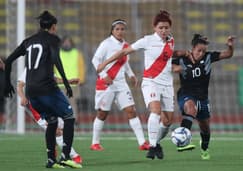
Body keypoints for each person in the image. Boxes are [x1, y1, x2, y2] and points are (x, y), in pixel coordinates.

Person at [96, 10, 191, 160]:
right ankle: (152, 146)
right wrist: (105, 63)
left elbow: (168, 55)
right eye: (160, 28)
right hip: (150, 82)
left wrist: (183, 53)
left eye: (166, 27)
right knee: (155, 111)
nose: (164, 30)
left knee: (167, 121)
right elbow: (124, 52)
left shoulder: (171, 40)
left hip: (167, 83)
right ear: (154, 28)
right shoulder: (147, 40)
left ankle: (157, 143)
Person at [4, 10, 82, 168]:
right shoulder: (53, 39)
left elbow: (9, 61)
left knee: (52, 122)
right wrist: (67, 84)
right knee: (69, 117)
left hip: (31, 91)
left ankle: (51, 160)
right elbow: (56, 60)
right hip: (47, 88)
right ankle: (66, 156)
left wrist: (7, 83)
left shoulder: (28, 41)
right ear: (53, 26)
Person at [172, 34, 235, 160]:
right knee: (191, 108)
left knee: (205, 127)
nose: (201, 53)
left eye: (203, 51)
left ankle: (204, 148)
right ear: (193, 48)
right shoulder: (183, 59)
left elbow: (228, 54)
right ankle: (182, 141)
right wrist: (175, 68)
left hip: (203, 97)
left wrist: (230, 46)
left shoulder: (208, 57)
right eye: (199, 50)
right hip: (186, 94)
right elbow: (167, 62)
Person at [91, 19, 149, 151]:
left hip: (121, 84)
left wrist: (131, 74)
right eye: (117, 29)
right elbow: (95, 60)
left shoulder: (126, 45)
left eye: (122, 29)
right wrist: (103, 75)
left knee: (131, 110)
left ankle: (142, 142)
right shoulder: (106, 44)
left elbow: (124, 62)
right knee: (102, 114)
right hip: (106, 84)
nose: (120, 31)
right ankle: (95, 143)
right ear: (112, 30)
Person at [17, 68, 82, 164]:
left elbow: (54, 80)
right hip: (38, 106)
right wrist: (22, 97)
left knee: (61, 128)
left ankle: (52, 148)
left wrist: (68, 81)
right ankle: (73, 155)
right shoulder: (30, 66)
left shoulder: (47, 64)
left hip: (51, 102)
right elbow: (20, 85)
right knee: (57, 131)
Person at [54, 35, 86, 119]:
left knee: (73, 103)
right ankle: (60, 119)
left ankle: (74, 119)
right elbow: (53, 67)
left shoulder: (77, 53)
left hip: (73, 84)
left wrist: (81, 79)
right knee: (59, 102)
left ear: (71, 43)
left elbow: (81, 67)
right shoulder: (57, 53)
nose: (66, 44)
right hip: (60, 83)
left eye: (68, 42)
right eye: (65, 42)